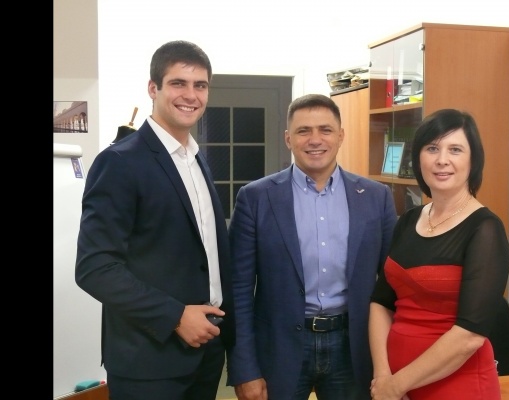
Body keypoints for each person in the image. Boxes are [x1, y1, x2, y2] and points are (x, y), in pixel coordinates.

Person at [75, 40, 235, 400]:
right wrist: (175, 316)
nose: (190, 95)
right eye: (178, 83)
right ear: (153, 88)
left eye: (200, 85)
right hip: (148, 362)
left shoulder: (196, 159)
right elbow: (94, 268)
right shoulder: (120, 162)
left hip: (206, 354)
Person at [226, 93, 398, 400]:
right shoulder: (256, 198)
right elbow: (238, 290)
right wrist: (245, 368)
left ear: (341, 136)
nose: (315, 140)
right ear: (288, 138)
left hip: (354, 347)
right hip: (279, 349)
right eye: (303, 131)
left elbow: (392, 285)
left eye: (325, 130)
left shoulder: (376, 197)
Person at [368, 108, 509, 400]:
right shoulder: (409, 220)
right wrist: (383, 377)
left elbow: (469, 336)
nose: (442, 159)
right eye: (432, 148)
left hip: (458, 386)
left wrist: (395, 386)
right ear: (418, 157)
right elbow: (381, 302)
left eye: (455, 149)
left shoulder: (485, 229)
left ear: (473, 160)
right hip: (395, 383)